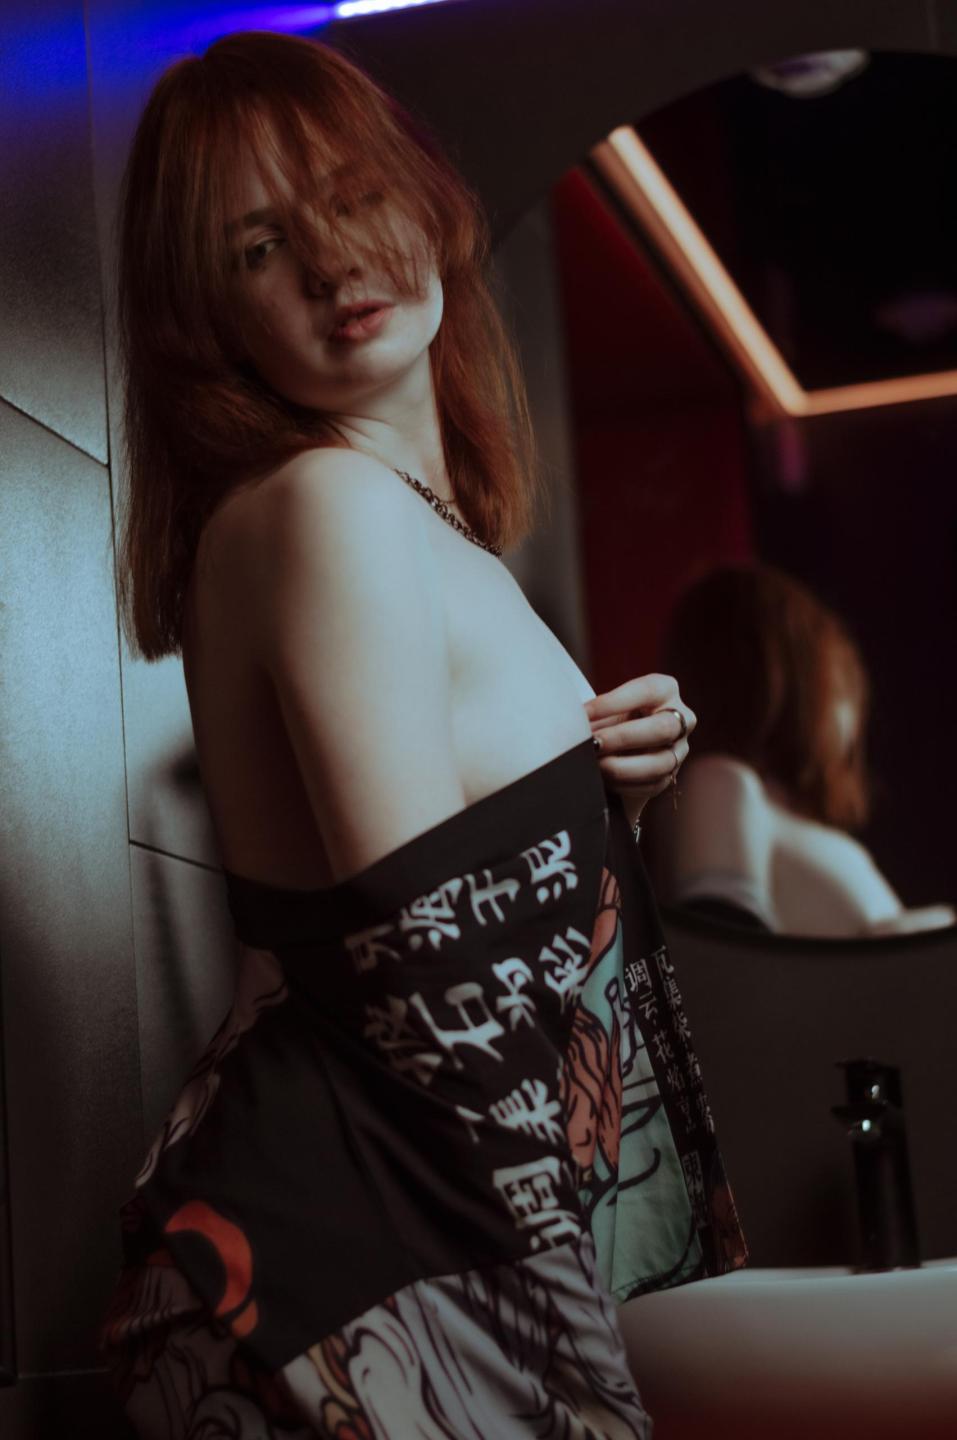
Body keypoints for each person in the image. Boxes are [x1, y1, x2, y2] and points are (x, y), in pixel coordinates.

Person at [96, 30, 747, 1437]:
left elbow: (445, 942)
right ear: (206, 315)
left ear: (428, 198)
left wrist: (611, 813)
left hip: (373, 1253)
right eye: (262, 245)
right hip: (346, 1275)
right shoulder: (324, 506)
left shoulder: (424, 535)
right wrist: (583, 1373)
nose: (335, 263)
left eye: (350, 196)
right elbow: (428, 976)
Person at [657, 563, 956, 937]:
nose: (854, 709)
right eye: (840, 674)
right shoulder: (720, 782)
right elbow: (722, 958)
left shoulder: (758, 807)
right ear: (782, 677)